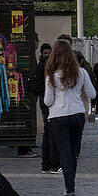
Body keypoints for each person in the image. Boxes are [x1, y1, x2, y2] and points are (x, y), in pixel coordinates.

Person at [43, 40, 96, 196]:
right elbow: (92, 94)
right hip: (77, 114)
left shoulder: (51, 75)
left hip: (58, 115)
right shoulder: (81, 73)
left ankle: (69, 189)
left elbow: (47, 101)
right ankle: (71, 186)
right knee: (73, 152)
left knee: (64, 152)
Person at [28, 43, 59, 174]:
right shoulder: (45, 67)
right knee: (51, 132)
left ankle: (46, 164)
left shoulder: (41, 66)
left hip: (45, 100)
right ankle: (52, 163)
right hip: (48, 101)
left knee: (48, 131)